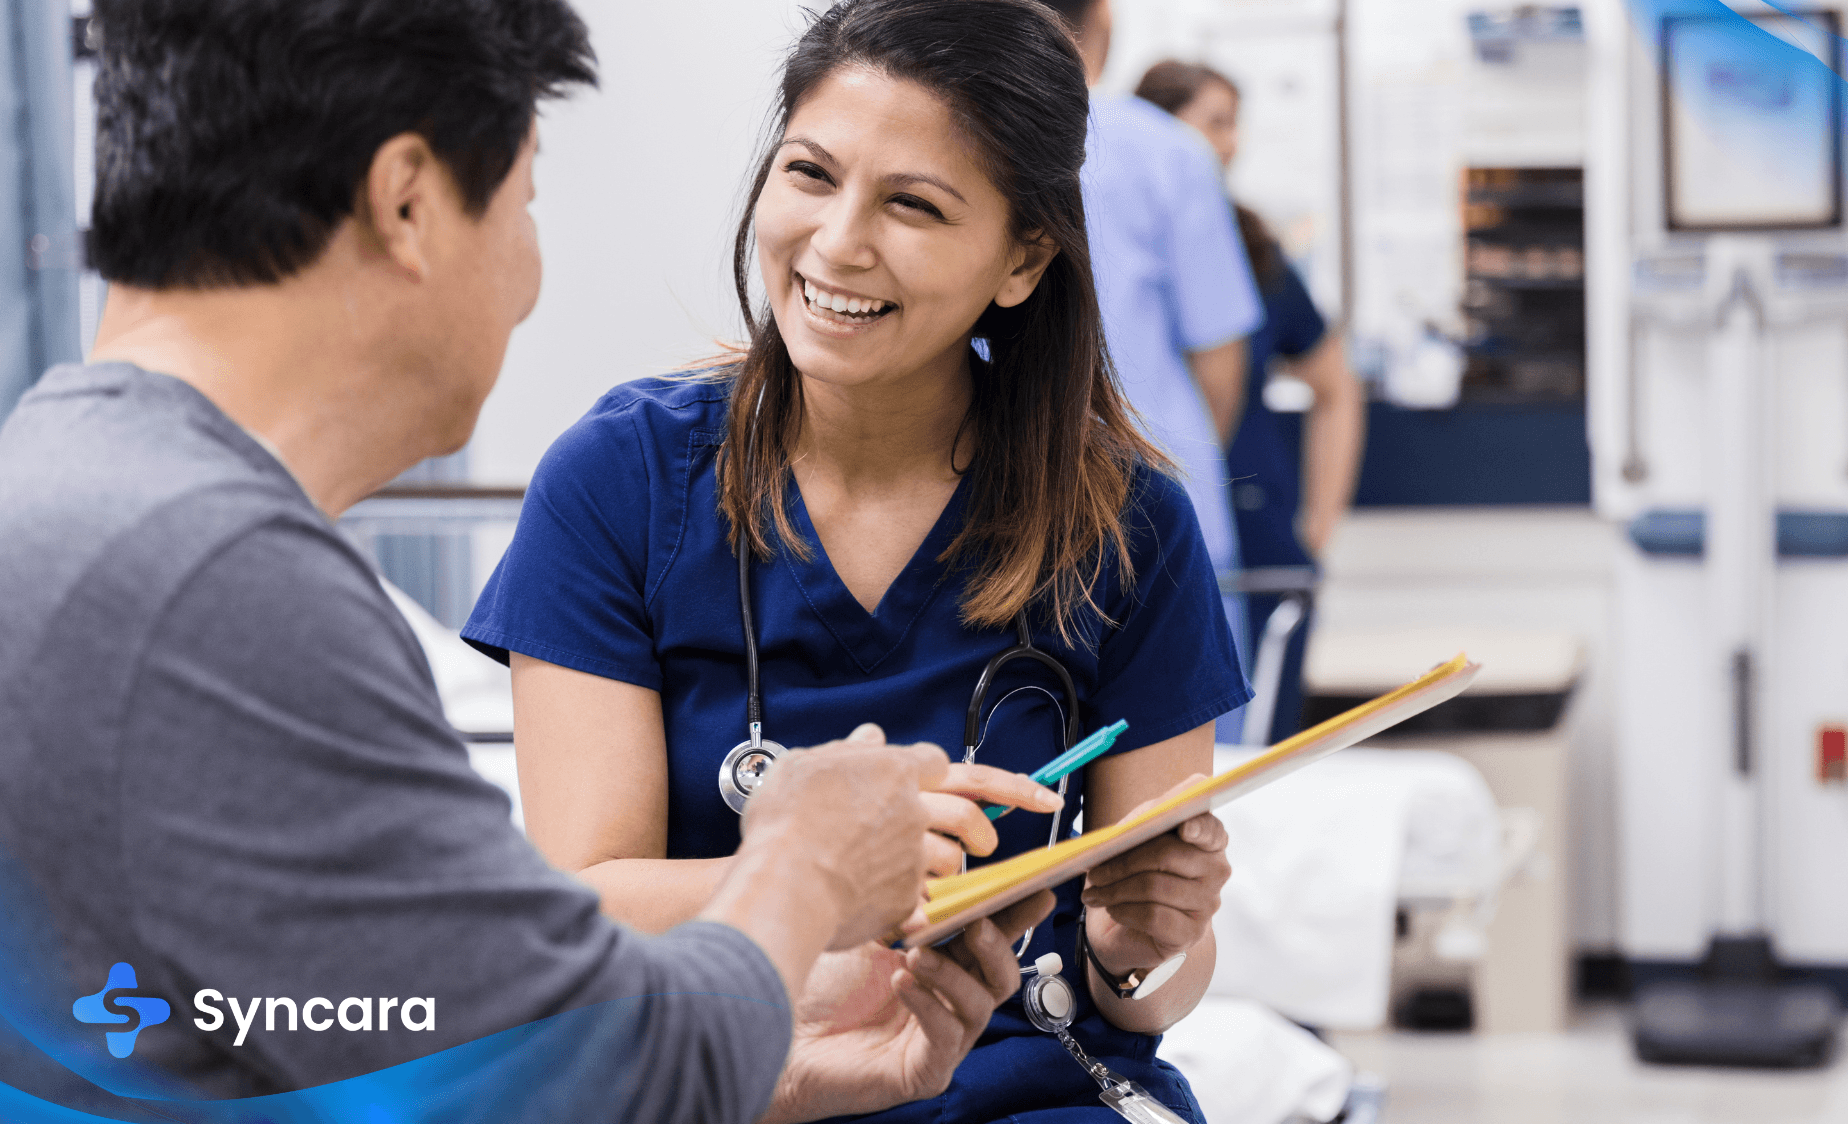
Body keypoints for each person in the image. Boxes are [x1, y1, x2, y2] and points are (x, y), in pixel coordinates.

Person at [0, 2, 1040, 1121]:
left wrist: (775, 1061)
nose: (530, 277)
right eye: (526, 197)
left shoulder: (63, 489)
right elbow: (571, 1084)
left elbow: (381, 1039)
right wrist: (808, 857)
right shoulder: (217, 582)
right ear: (409, 202)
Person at [461, 1, 1241, 1120]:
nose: (835, 242)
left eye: (911, 204)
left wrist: (1141, 938)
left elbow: (1146, 995)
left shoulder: (1126, 521)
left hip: (1024, 1088)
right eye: (810, 174)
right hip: (723, 1079)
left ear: (1022, 256)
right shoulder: (619, 482)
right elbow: (585, 909)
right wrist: (835, 863)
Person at [1039, 1, 1265, 717]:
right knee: (1193, 789)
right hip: (1165, 497)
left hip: (1010, 505)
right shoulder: (1169, 153)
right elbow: (1220, 363)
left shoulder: (958, 140)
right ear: (1102, 21)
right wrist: (1181, 464)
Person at [1134, 60, 1366, 742]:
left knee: (1260, 750)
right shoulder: (1109, 244)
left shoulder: (1254, 250)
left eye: (1235, 125)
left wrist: (1319, 524)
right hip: (1152, 532)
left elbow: (1335, 387)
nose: (1229, 143)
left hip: (1255, 533)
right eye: (1213, 122)